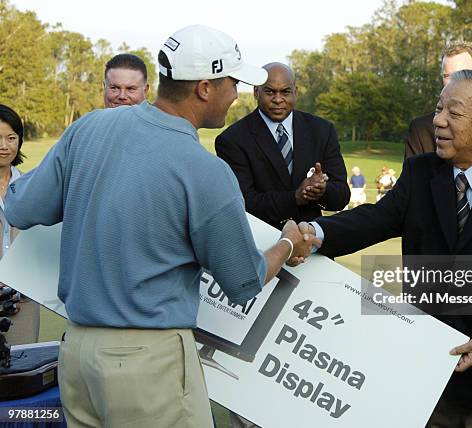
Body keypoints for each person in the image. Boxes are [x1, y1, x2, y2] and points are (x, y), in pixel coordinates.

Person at [5, 25, 314, 428]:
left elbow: (21, 206)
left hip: (77, 353)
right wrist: (287, 245)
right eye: (233, 82)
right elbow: (243, 282)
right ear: (205, 88)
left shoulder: (88, 128)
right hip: (148, 363)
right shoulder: (206, 170)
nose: (236, 94)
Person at [300, 70, 472, 427]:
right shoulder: (421, 172)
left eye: (453, 113)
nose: (437, 121)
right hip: (431, 381)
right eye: (439, 109)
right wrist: (313, 232)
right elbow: (375, 219)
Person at [215, 62, 350, 230]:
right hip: (261, 246)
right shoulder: (232, 140)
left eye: (285, 92)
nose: (278, 100)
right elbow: (245, 203)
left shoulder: (322, 130)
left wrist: (321, 191)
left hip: (312, 243)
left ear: (296, 92)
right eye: (270, 92)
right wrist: (295, 197)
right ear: (256, 92)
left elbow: (342, 196)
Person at [0, 104, 39, 346]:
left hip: (22, 303)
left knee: (22, 375)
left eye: (11, 138)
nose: (4, 146)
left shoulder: (33, 186)